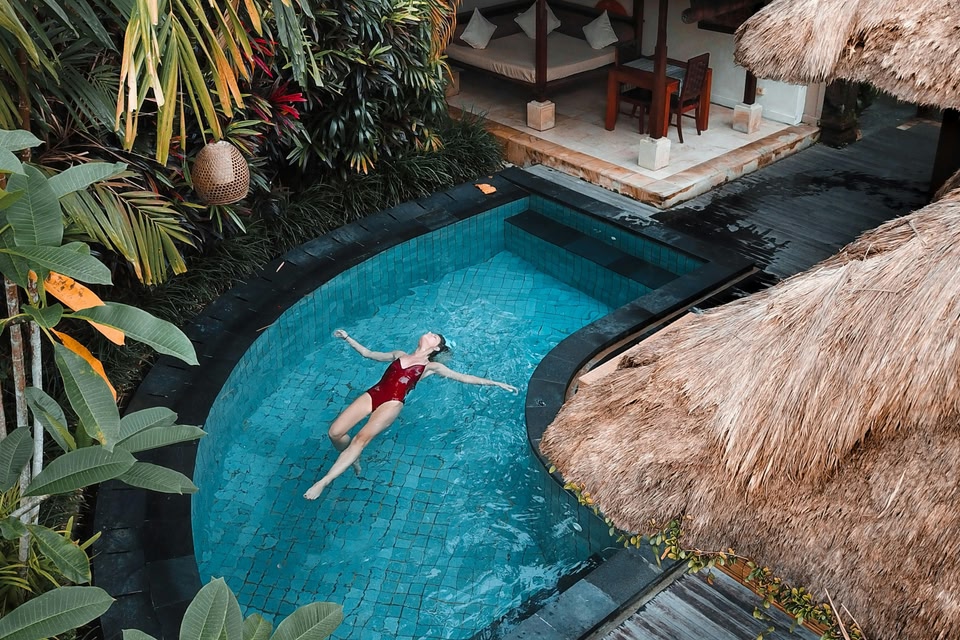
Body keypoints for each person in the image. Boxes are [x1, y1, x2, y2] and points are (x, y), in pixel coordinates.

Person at [304, 329, 518, 500]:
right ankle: (352, 458)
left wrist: (496, 383)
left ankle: (324, 481)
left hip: (392, 403)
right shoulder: (399, 354)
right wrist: (348, 338)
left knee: (360, 439)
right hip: (374, 393)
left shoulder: (431, 367)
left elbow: (464, 377)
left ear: (436, 347)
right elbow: (368, 354)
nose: (430, 333)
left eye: (434, 335)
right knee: (335, 433)